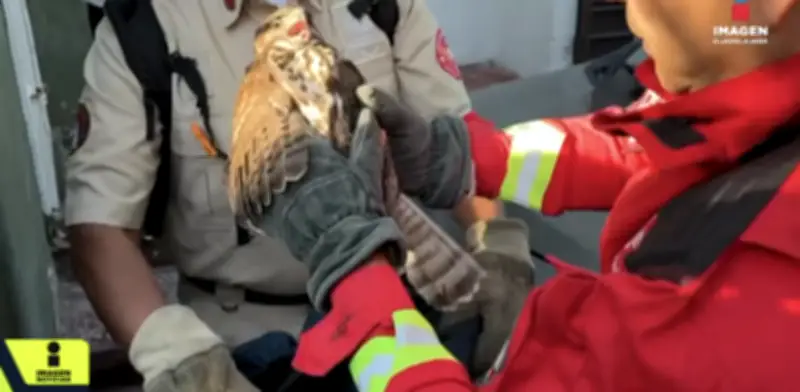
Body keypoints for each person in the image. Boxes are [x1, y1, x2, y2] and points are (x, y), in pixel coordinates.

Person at [261, 0, 800, 390]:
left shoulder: (743, 303)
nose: (631, 12)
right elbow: (666, 151)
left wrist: (355, 274)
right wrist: (462, 158)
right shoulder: (763, 87)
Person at [64, 0, 530, 390]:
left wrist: (496, 241)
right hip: (246, 336)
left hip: (398, 299)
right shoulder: (146, 29)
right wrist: (180, 355)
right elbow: (101, 228)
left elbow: (455, 141)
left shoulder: (382, 5)